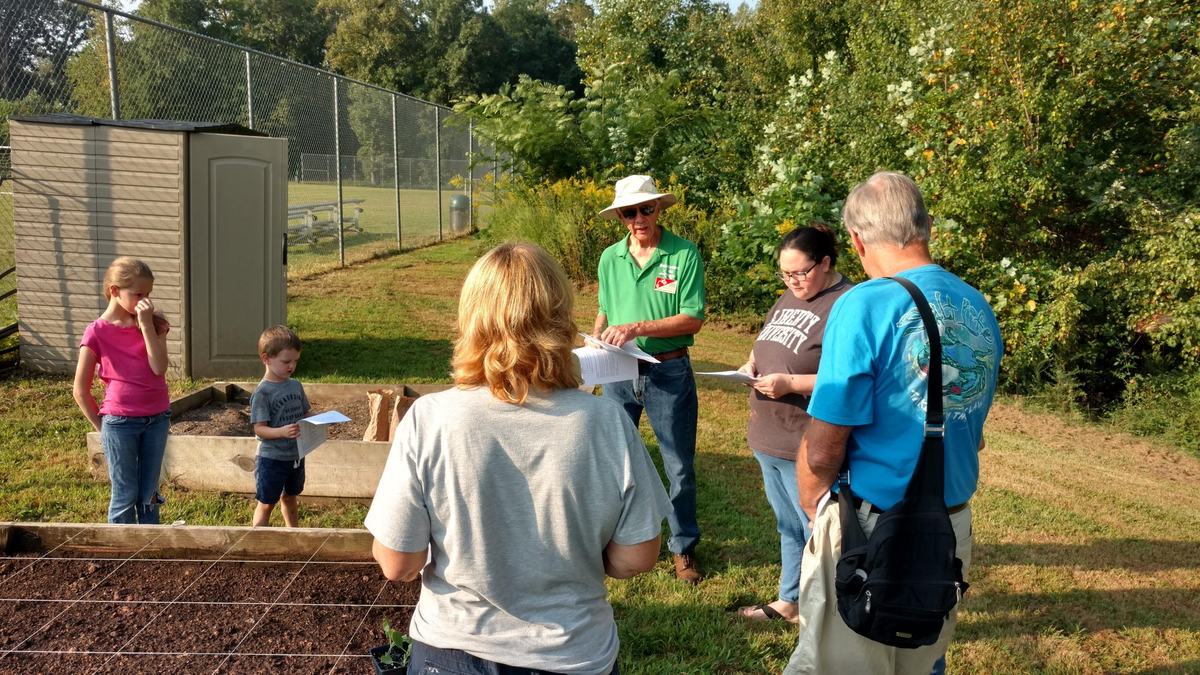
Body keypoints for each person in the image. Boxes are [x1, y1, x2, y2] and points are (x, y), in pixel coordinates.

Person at [366, 243, 671, 674]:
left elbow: (397, 563)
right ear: (561, 317)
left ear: (471, 318)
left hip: (453, 651)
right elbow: (637, 557)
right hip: (573, 653)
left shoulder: (430, 419)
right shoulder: (608, 422)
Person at [784, 172, 1003, 674]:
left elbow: (823, 446)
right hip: (949, 525)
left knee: (841, 661)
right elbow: (975, 429)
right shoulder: (977, 304)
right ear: (925, 227)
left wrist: (816, 505)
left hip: (872, 528)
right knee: (921, 660)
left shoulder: (863, 303)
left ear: (857, 241)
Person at [733, 224, 852, 623]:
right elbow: (766, 339)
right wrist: (751, 363)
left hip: (805, 440)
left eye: (800, 272)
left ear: (826, 263)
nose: (793, 281)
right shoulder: (790, 294)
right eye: (785, 274)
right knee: (788, 525)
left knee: (817, 532)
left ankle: (825, 610)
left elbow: (848, 375)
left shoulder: (845, 304)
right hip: (768, 435)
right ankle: (790, 600)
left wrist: (790, 383)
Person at [593, 174, 707, 584]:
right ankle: (610, 540)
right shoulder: (610, 258)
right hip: (618, 370)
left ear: (660, 209)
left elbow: (692, 317)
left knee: (677, 464)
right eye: (630, 212)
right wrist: (595, 349)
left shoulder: (684, 254)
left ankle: (683, 549)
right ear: (620, 217)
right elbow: (606, 310)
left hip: (668, 370)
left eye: (646, 209)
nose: (639, 218)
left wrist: (638, 326)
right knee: (610, 460)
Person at [73, 257, 171, 524]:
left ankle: (150, 553)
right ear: (114, 291)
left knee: (149, 493)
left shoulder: (154, 324)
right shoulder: (96, 332)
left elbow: (158, 367)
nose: (145, 301)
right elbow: (80, 390)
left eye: (149, 294)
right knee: (125, 493)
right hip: (120, 422)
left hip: (158, 418)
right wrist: (103, 428)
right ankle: (121, 556)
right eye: (138, 294)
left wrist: (147, 325)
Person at [250, 325, 310, 528]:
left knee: (291, 497)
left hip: (295, 456)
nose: (291, 366)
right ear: (266, 358)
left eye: (295, 361)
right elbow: (259, 429)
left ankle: (294, 535)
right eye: (286, 361)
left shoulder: (295, 385)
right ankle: (257, 542)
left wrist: (320, 420)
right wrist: (282, 432)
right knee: (266, 503)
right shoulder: (263, 393)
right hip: (271, 459)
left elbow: (305, 413)